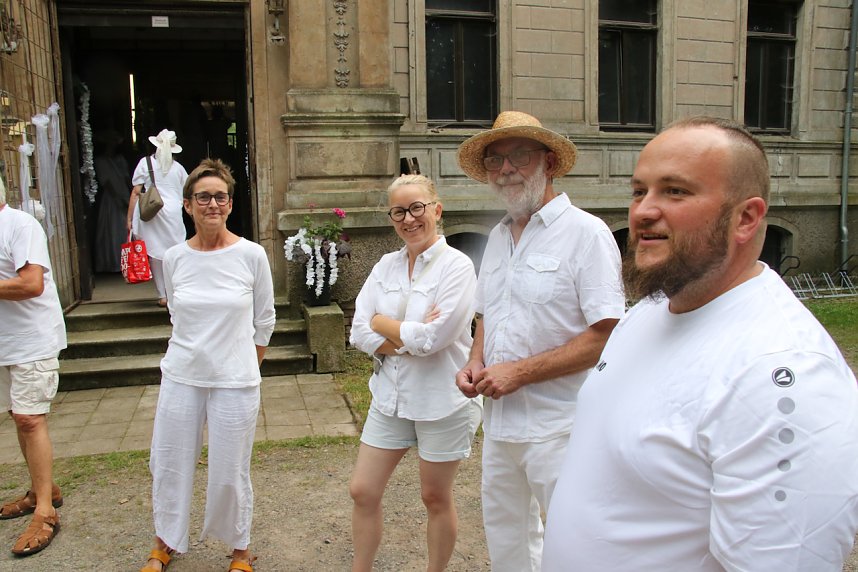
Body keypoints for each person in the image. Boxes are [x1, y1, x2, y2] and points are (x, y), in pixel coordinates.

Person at [542, 117, 858, 571]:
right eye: (639, 191)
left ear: (745, 218)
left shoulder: (783, 378)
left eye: (675, 191)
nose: (643, 211)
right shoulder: (649, 312)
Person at [454, 111, 625, 571]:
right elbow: (487, 313)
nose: (506, 169)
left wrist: (520, 372)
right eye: (495, 160)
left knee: (577, 545)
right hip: (501, 426)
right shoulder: (496, 237)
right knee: (507, 541)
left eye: (519, 156)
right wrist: (475, 360)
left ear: (549, 162)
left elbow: (607, 337)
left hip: (562, 427)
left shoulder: (587, 234)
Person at [139, 159, 275, 572]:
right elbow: (177, 315)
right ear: (187, 205)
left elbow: (264, 321)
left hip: (235, 381)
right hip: (182, 375)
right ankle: (165, 541)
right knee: (168, 461)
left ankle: (239, 549)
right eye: (203, 197)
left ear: (230, 204)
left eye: (219, 197)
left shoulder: (251, 255)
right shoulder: (176, 258)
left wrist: (243, 366)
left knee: (231, 467)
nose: (211, 204)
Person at [349, 174, 482, 572]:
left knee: (434, 497)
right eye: (399, 211)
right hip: (390, 397)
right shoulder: (385, 266)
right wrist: (402, 333)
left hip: (441, 401)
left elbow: (434, 340)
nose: (408, 218)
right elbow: (357, 331)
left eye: (416, 207)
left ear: (436, 210)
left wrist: (381, 322)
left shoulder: (458, 267)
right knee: (362, 490)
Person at [0, 176, 66, 556]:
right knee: (17, 415)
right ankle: (44, 489)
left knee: (30, 418)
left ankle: (44, 512)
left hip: (32, 339)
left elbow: (31, 283)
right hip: (5, 342)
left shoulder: (20, 225)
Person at [126, 129, 188, 307]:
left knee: (155, 254)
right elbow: (188, 190)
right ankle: (175, 291)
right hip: (173, 214)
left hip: (152, 211)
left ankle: (162, 295)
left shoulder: (145, 163)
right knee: (175, 252)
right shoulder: (179, 169)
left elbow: (136, 192)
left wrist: (129, 218)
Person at [93, 130, 131, 272]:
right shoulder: (101, 161)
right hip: (111, 198)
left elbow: (127, 179)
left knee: (124, 229)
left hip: (125, 194)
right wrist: (117, 198)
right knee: (113, 228)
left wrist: (131, 195)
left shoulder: (120, 159)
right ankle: (113, 262)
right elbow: (106, 182)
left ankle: (126, 262)